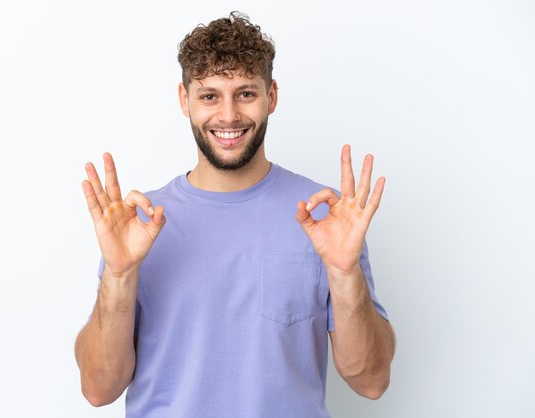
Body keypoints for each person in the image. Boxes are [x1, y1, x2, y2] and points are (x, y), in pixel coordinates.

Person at [74, 12, 395, 418]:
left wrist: (346, 274)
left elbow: (371, 381)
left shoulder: (325, 218)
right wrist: (119, 275)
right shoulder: (138, 225)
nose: (228, 116)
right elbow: (99, 389)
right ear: (184, 99)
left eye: (245, 93)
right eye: (209, 95)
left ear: (272, 96)